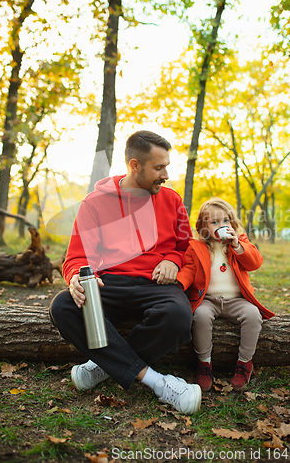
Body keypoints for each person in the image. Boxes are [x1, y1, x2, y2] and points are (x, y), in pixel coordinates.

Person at [49, 130, 202, 415]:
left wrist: (172, 259)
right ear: (135, 165)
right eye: (159, 167)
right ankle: (158, 383)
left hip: (156, 283)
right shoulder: (94, 203)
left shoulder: (172, 200)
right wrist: (76, 279)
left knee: (179, 316)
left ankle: (102, 367)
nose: (166, 174)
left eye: (167, 166)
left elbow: (186, 247)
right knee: (63, 305)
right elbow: (77, 256)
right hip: (109, 284)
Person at [176, 198, 275, 392]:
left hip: (236, 300)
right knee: (200, 316)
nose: (221, 226)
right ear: (203, 227)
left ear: (233, 223)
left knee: (253, 316)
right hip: (208, 300)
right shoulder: (197, 247)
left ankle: (244, 363)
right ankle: (204, 363)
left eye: (225, 221)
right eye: (214, 222)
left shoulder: (240, 242)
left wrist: (237, 245)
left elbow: (255, 262)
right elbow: (189, 270)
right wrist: (179, 283)